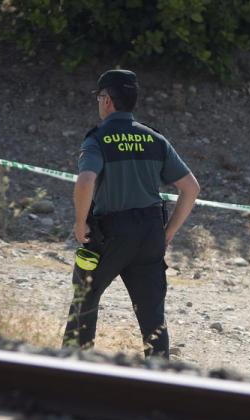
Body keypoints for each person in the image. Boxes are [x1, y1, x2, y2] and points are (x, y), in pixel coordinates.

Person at [61, 69, 200, 359]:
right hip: (150, 232)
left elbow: (86, 181)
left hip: (110, 233)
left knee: (85, 299)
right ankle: (159, 376)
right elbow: (191, 188)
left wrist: (79, 221)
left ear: (107, 100)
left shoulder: (98, 139)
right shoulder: (154, 139)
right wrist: (169, 232)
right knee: (152, 316)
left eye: (100, 97)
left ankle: (73, 369)